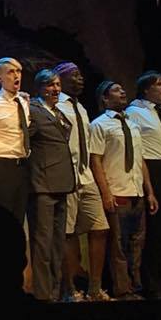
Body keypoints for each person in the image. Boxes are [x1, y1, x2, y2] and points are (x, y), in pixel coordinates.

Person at [89, 80, 156, 300]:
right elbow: (95, 160)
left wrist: (150, 191)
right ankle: (122, 289)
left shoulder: (132, 125)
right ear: (105, 98)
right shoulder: (99, 125)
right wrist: (106, 193)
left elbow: (140, 160)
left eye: (122, 89)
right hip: (117, 191)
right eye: (116, 90)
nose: (122, 92)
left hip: (137, 192)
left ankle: (136, 286)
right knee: (118, 245)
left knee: (137, 243)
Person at [54, 62, 110, 301]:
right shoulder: (55, 105)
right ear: (60, 79)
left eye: (80, 75)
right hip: (68, 177)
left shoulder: (81, 108)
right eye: (74, 75)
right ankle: (70, 289)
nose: (80, 78)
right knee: (67, 233)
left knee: (100, 228)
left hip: (86, 177)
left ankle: (95, 288)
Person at [125, 71, 161, 298]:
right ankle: (153, 284)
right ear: (146, 89)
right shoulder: (135, 112)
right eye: (159, 84)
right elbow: (136, 146)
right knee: (155, 230)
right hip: (153, 168)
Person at [26, 69, 77, 302]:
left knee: (58, 243)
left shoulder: (58, 112)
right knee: (43, 243)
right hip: (43, 184)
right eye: (50, 85)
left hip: (62, 183)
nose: (55, 89)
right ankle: (43, 294)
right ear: (40, 88)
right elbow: (24, 141)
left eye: (57, 85)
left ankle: (56, 292)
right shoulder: (33, 110)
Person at [0, 57, 32, 227]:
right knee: (1, 219)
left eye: (18, 71)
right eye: (10, 72)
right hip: (0, 166)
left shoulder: (23, 102)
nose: (16, 76)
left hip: (22, 166)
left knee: (18, 219)